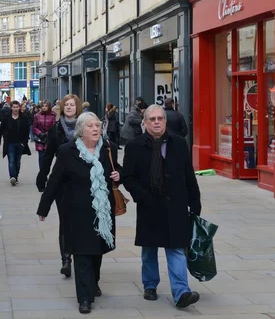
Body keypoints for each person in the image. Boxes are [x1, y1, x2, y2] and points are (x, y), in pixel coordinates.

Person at [37, 112, 121, 314]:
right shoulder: (67, 152)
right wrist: (44, 207)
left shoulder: (108, 149)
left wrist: (120, 175)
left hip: (102, 212)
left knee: (97, 252)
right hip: (76, 211)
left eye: (98, 126)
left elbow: (116, 170)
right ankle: (84, 297)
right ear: (81, 130)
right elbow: (55, 180)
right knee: (82, 254)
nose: (95, 129)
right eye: (91, 126)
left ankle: (94, 281)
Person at [123, 104, 202, 309]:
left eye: (160, 119)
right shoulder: (134, 146)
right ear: (145, 122)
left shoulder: (179, 144)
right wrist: (142, 196)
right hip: (149, 204)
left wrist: (195, 201)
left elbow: (188, 175)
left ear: (165, 122)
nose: (157, 122)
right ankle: (150, 285)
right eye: (152, 119)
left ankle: (181, 292)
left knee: (176, 248)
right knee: (149, 249)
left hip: (175, 205)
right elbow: (128, 178)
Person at [36, 94, 83, 278]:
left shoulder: (86, 126)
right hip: (62, 182)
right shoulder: (55, 130)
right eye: (66, 105)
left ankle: (81, 256)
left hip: (83, 181)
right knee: (65, 220)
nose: (69, 107)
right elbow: (48, 156)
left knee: (81, 221)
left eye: (72, 105)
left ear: (77, 107)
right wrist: (42, 176)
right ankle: (66, 259)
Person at [0, 100, 31, 186]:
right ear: (11, 108)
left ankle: (16, 176)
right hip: (10, 143)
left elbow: (26, 131)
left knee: (17, 161)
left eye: (17, 107)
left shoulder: (24, 118)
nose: (15, 109)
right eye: (14, 107)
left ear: (19, 108)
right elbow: (2, 128)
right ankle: (12, 177)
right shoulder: (7, 117)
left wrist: (24, 143)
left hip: (20, 143)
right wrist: (1, 138)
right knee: (11, 160)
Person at [33, 100, 56, 168]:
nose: (44, 107)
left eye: (46, 106)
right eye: (43, 106)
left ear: (49, 107)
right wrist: (39, 133)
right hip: (40, 139)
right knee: (41, 156)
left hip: (49, 139)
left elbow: (54, 127)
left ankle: (45, 172)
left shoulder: (53, 115)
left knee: (48, 158)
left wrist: (47, 133)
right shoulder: (37, 116)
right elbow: (34, 127)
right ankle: (42, 174)